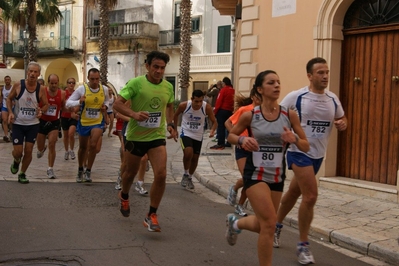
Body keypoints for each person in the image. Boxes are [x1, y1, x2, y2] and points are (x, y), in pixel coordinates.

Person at [225, 70, 309, 266]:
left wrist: (294, 139)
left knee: (265, 223)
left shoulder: (290, 115)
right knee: (270, 223)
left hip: (277, 176)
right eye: (271, 83)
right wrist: (243, 139)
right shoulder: (250, 115)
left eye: (278, 82)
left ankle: (235, 223)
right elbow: (231, 136)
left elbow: (306, 145)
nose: (277, 86)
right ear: (260, 89)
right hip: (255, 174)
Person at [274, 57, 347, 264]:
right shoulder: (296, 96)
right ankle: (303, 246)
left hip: (318, 155)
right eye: (320, 73)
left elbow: (342, 118)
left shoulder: (332, 98)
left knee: (294, 192)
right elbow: (277, 115)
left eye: (327, 72)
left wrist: (342, 123)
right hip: (299, 151)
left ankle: (275, 226)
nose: (325, 76)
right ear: (310, 76)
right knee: (311, 196)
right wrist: (285, 136)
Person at [113, 50, 176, 232]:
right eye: (155, 67)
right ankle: (124, 195)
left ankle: (151, 214)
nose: (159, 71)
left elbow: (170, 105)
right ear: (147, 66)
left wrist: (171, 123)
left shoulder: (168, 87)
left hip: (156, 137)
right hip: (135, 136)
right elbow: (117, 103)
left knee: (162, 174)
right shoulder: (136, 83)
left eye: (162, 68)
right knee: (130, 173)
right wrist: (134, 114)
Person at [7, 61, 49, 184]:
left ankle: (22, 173)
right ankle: (16, 161)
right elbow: (9, 99)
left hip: (33, 124)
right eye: (30, 71)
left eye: (35, 72)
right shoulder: (18, 85)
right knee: (18, 152)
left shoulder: (41, 89)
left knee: (29, 150)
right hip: (18, 123)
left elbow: (46, 104)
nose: (32, 74)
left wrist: (41, 111)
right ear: (27, 72)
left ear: (39, 74)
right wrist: (10, 112)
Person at [66, 68, 110, 183]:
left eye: (97, 79)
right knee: (83, 148)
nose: (95, 81)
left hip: (97, 122)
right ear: (88, 79)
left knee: (94, 145)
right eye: (92, 79)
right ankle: (80, 169)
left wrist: (105, 107)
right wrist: (79, 102)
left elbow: (107, 101)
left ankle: (88, 171)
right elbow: (68, 103)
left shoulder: (104, 89)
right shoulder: (82, 89)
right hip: (84, 122)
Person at [225, 91, 261, 217]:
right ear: (252, 97)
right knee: (247, 178)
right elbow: (227, 122)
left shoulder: (265, 112)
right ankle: (236, 195)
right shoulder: (245, 110)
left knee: (250, 179)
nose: (259, 98)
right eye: (257, 96)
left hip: (256, 149)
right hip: (242, 147)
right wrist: (238, 137)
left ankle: (238, 200)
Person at [173, 89, 217, 189]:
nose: (198, 104)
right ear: (192, 99)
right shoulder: (184, 105)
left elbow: (214, 121)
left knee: (195, 158)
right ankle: (185, 173)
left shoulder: (206, 107)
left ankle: (190, 177)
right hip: (186, 132)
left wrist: (212, 130)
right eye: (196, 101)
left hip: (198, 135)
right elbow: (175, 115)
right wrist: (175, 130)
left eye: (201, 101)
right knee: (188, 153)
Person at [36, 74, 66, 179]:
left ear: (58, 82)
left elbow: (64, 107)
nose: (53, 85)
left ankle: (50, 168)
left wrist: (72, 113)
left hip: (54, 122)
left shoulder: (62, 93)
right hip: (42, 121)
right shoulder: (42, 90)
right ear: (48, 83)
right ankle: (42, 149)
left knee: (52, 143)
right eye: (51, 83)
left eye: (55, 83)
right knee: (39, 147)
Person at [210, 77, 234, 150]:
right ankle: (229, 141)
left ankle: (220, 143)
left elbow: (219, 101)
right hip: (230, 111)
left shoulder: (223, 90)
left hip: (222, 110)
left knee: (221, 127)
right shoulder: (233, 90)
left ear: (224, 83)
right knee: (229, 127)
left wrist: (215, 111)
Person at [61, 78, 79, 160]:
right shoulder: (64, 93)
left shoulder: (76, 93)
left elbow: (78, 104)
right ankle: (66, 151)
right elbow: (62, 104)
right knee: (65, 136)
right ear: (67, 83)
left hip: (73, 116)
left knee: (71, 134)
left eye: (73, 83)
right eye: (69, 82)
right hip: (64, 116)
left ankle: (71, 149)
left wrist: (74, 111)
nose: (71, 84)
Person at [1, 76, 13, 142]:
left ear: (10, 80)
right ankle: (6, 135)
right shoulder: (2, 88)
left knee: (11, 121)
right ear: (4, 81)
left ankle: (11, 132)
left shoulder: (12, 88)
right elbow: (2, 96)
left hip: (11, 106)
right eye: (6, 80)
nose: (7, 81)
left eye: (8, 80)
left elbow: (16, 95)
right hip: (4, 106)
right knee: (4, 120)